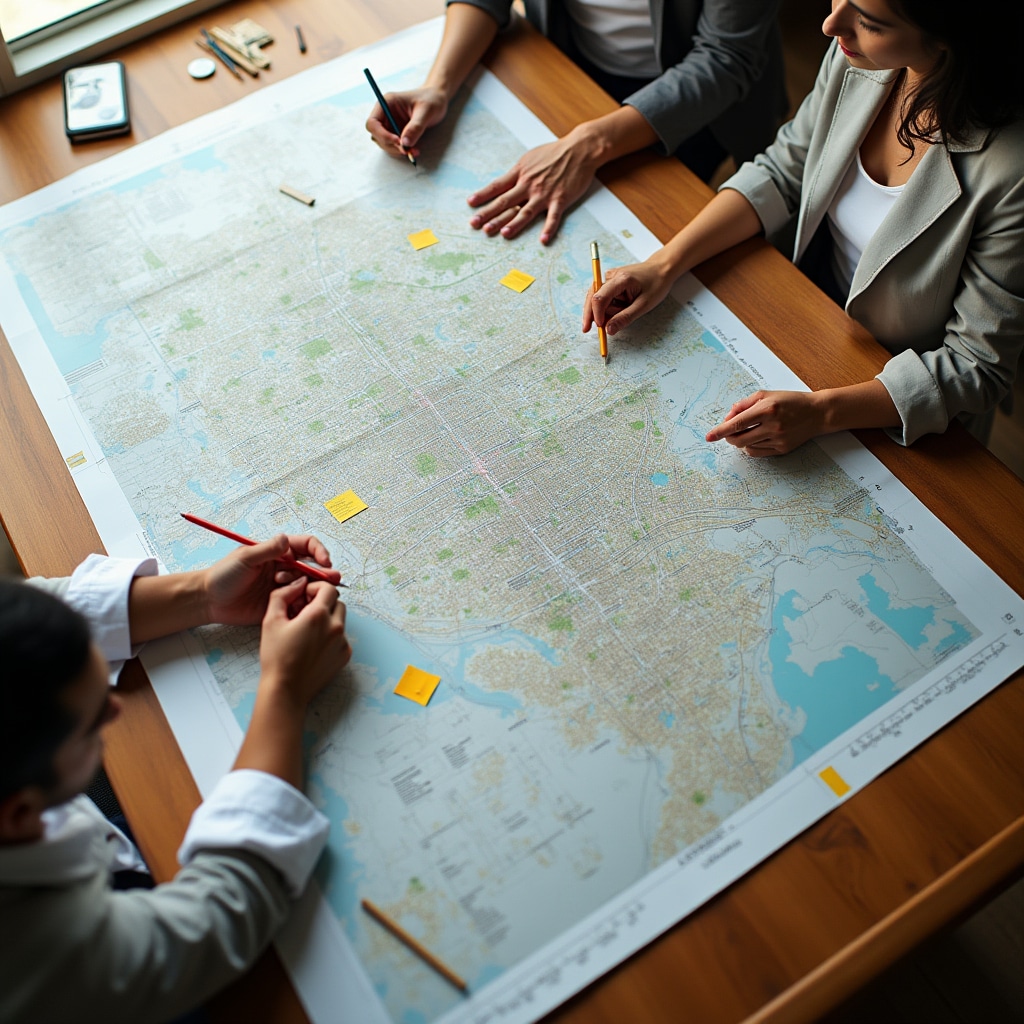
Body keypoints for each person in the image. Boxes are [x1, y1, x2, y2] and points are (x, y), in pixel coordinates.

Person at [584, 0, 1024, 453]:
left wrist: (821, 413)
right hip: (807, 310)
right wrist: (663, 265)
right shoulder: (854, 57)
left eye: (869, 22)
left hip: (892, 384)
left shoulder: (1013, 171)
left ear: (949, 39)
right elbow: (782, 171)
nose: (832, 24)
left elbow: (976, 366)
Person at [0, 534, 351, 1022]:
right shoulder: (35, 953)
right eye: (93, 720)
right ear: (18, 813)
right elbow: (216, 915)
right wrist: (285, 689)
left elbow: (29, 621)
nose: (114, 705)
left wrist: (204, 593)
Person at [366, 0, 786, 243]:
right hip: (566, 69)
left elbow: (726, 58)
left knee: (652, 230)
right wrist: (439, 85)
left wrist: (586, 144)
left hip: (693, 107)